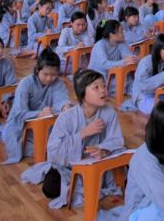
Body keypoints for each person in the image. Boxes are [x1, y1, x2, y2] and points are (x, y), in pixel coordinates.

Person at [21, 70, 125, 209]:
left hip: (98, 162)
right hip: (68, 165)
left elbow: (116, 139)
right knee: (51, 187)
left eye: (104, 86)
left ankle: (76, 187)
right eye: (96, 87)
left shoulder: (109, 112)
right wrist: (82, 133)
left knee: (128, 169)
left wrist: (103, 150)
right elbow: (54, 151)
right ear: (82, 94)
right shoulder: (66, 117)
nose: (103, 91)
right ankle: (75, 185)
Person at [0, 49, 71, 164]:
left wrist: (65, 107)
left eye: (53, 75)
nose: (49, 78)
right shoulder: (25, 83)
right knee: (21, 145)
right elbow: (19, 112)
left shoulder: (58, 83)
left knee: (64, 140)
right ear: (37, 69)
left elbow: (61, 100)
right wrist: (39, 114)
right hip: (22, 125)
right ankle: (4, 132)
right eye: (45, 74)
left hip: (46, 124)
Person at [128, 34, 164, 114]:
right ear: (158, 49)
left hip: (159, 94)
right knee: (162, 111)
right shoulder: (145, 62)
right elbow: (143, 86)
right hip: (143, 96)